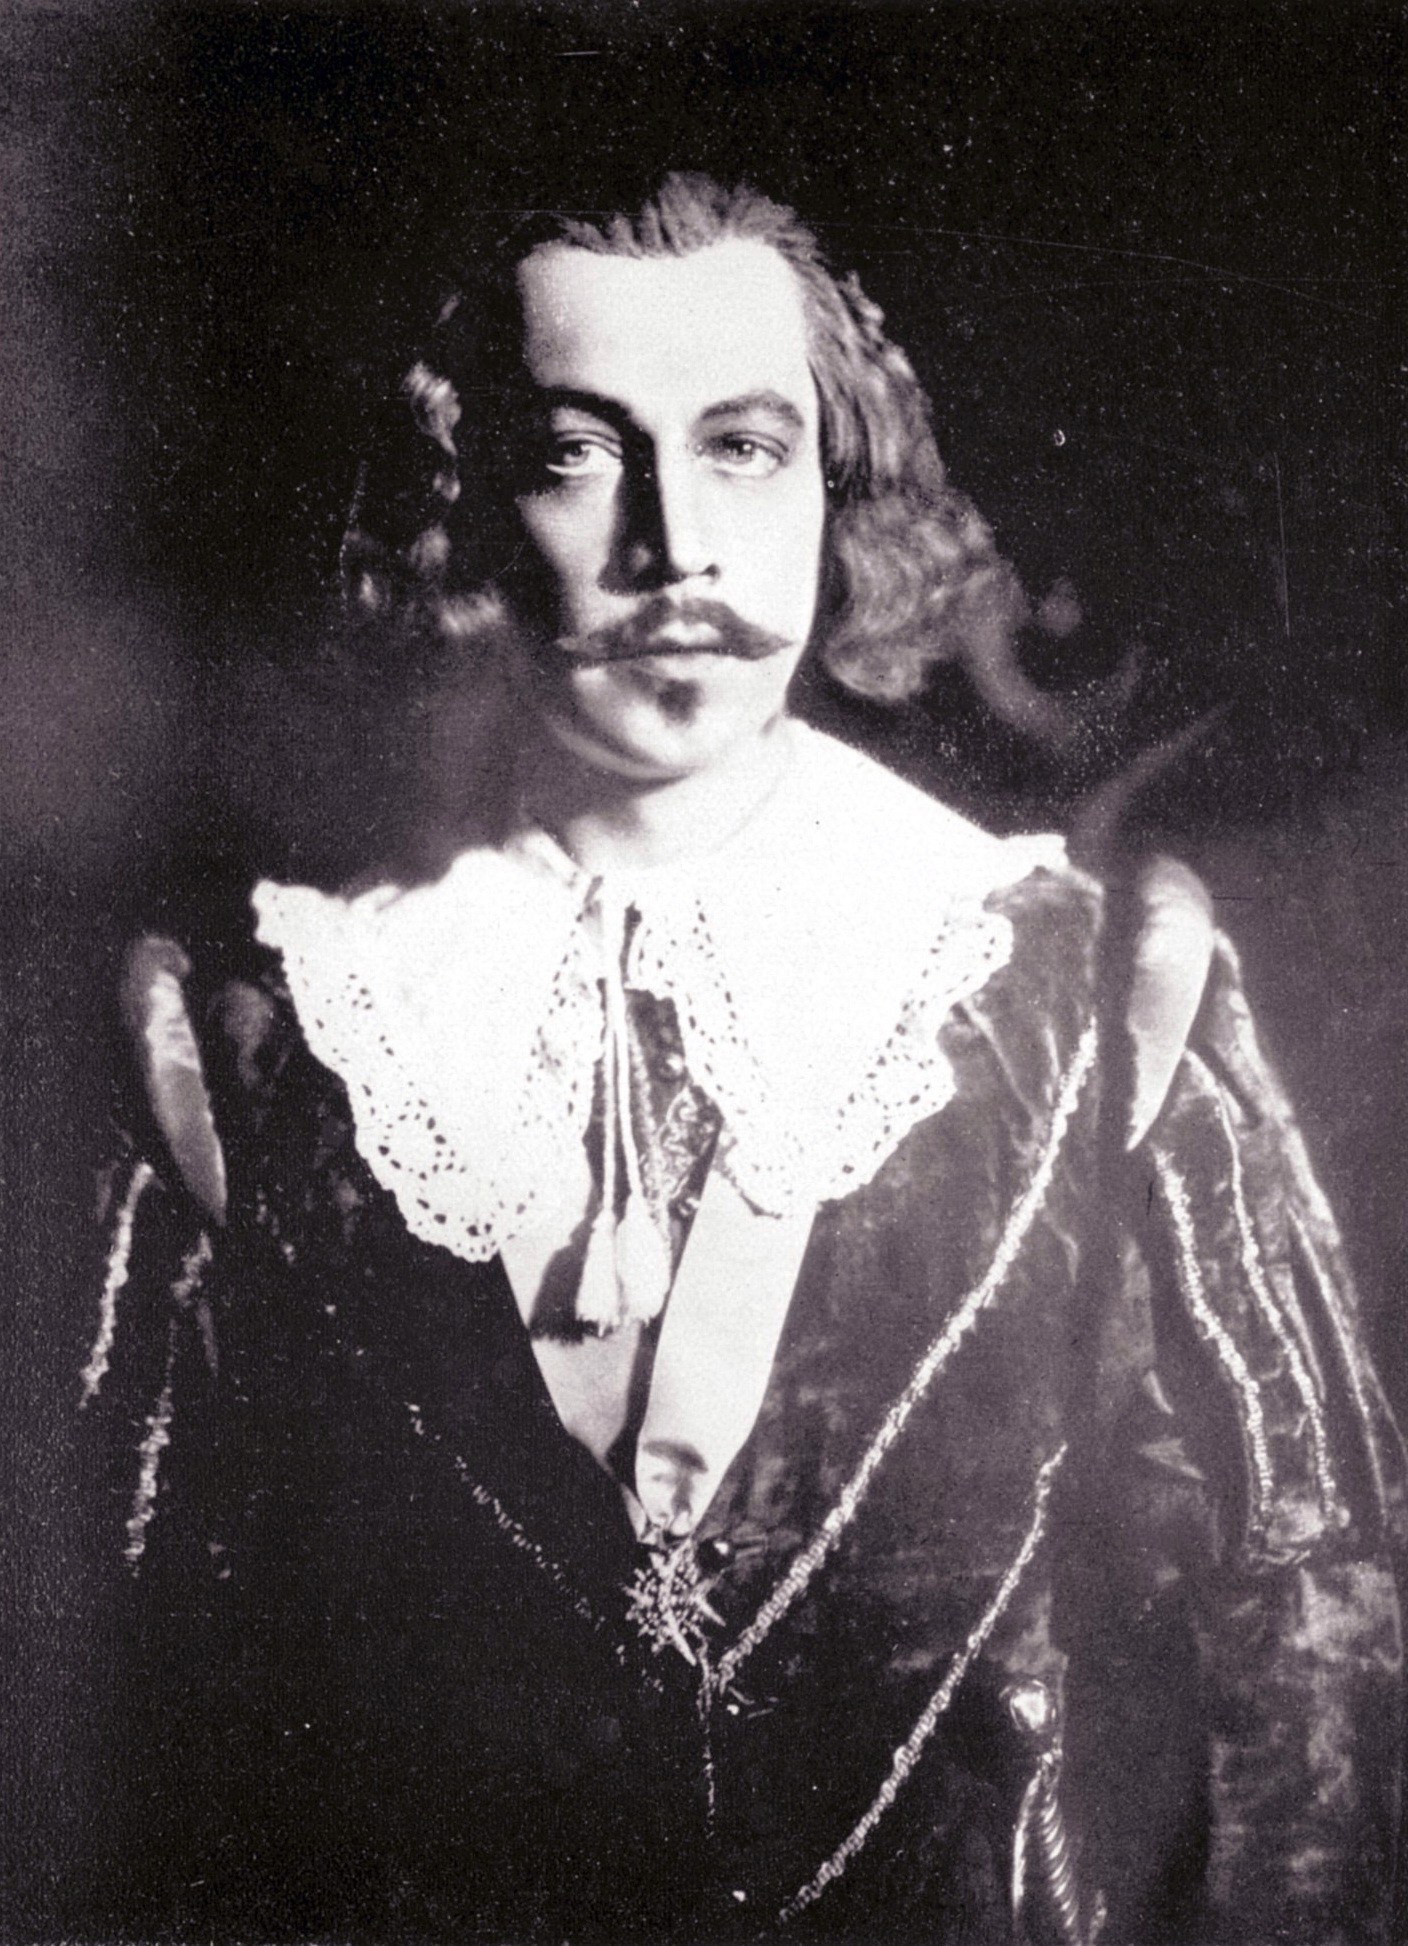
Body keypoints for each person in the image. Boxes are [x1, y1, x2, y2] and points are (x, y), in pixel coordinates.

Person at [79, 174, 1404, 1944]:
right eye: (577, 455)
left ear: (835, 488)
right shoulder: (252, 1045)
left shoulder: (1098, 993)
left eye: (745, 448)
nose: (675, 544)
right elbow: (134, 1745)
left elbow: (1308, 1652)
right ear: (466, 507)